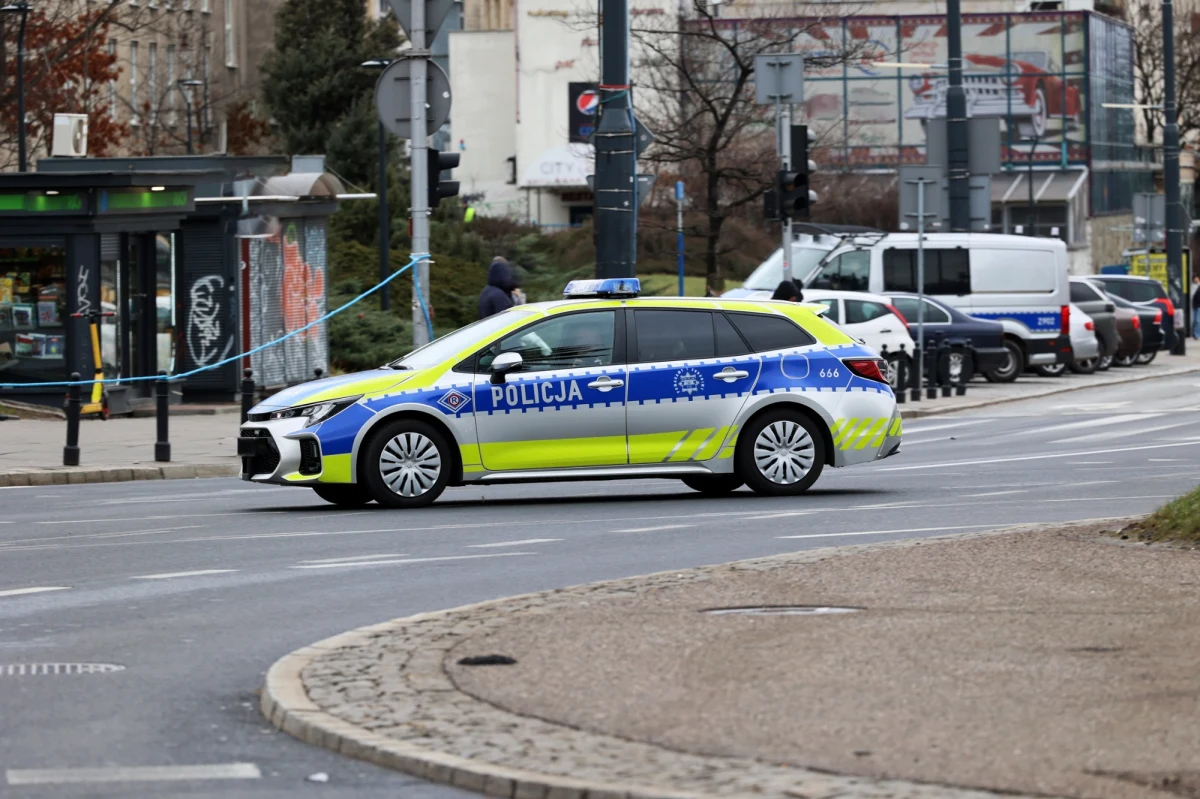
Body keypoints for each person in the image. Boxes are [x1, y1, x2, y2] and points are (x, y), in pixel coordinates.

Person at [1191, 275, 1200, 340]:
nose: (1195, 279)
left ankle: (1197, 334)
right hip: (1193, 305)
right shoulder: (1192, 286)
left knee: (1197, 320)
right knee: (1194, 320)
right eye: (1194, 278)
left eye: (1196, 278)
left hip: (1199, 305)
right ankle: (1194, 333)